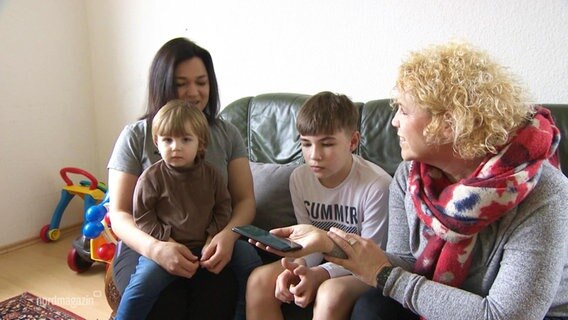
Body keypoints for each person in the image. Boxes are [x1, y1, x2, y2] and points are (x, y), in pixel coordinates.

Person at [251, 42, 568, 319]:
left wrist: (384, 276)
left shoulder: (543, 194)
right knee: (371, 309)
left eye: (403, 110)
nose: (394, 122)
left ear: (448, 123)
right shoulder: (411, 176)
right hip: (440, 293)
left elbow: (502, 315)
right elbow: (405, 259)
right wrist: (326, 242)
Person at [107, 37, 262, 320]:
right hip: (147, 243)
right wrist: (156, 248)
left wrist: (227, 237)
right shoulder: (135, 136)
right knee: (165, 303)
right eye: (182, 83)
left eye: (201, 82)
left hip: (208, 243)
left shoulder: (227, 134)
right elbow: (119, 213)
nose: (193, 92)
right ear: (163, 84)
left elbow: (244, 201)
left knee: (214, 300)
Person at [246, 91, 392, 320]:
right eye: (306, 144)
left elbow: (371, 259)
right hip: (320, 259)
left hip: (364, 269)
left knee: (329, 294)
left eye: (326, 144)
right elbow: (308, 243)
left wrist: (321, 274)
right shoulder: (299, 179)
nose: (314, 155)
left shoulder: (377, 185)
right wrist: (299, 267)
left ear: (353, 141)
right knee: (259, 280)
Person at [115, 100, 233, 319]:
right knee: (140, 288)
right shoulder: (151, 178)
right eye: (167, 140)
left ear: (201, 143)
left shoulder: (212, 175)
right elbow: (143, 215)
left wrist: (212, 236)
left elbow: (223, 207)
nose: (175, 146)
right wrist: (165, 242)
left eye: (185, 139)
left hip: (206, 248)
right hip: (165, 249)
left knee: (248, 262)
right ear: (156, 142)